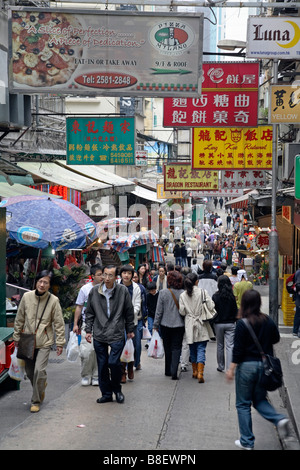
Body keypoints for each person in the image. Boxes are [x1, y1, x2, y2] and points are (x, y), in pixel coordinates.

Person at [226, 290, 290, 450]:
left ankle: (247, 441)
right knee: (259, 400)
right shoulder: (267, 320)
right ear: (259, 303)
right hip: (264, 366)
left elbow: (238, 350)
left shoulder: (242, 323)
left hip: (246, 367)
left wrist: (231, 369)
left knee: (243, 404)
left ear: (244, 303)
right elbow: (276, 338)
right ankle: (279, 419)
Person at [13, 270, 65, 413]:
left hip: (45, 341)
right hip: (27, 340)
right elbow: (20, 318)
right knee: (30, 373)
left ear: (49, 285)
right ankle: (41, 386)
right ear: (36, 282)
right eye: (40, 281)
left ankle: (35, 400)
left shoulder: (54, 301)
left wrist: (60, 342)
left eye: (45, 282)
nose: (42, 285)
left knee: (39, 370)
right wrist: (16, 336)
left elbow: (59, 323)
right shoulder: (26, 297)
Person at [85, 265, 135, 404]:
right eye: (104, 275)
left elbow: (129, 311)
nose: (106, 278)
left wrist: (130, 329)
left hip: (116, 331)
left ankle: (117, 390)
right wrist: (88, 330)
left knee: (114, 363)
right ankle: (106, 393)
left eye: (110, 275)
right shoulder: (94, 291)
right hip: (99, 332)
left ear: (116, 277)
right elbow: (89, 312)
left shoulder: (122, 291)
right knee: (102, 365)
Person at [179, 272, 215, 383]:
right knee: (201, 348)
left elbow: (182, 311)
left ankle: (194, 371)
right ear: (196, 282)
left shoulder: (183, 295)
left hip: (189, 323)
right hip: (201, 323)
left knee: (192, 348)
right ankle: (200, 373)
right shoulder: (203, 292)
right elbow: (211, 306)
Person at [73, 264, 103, 386]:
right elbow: (79, 307)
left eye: (103, 274)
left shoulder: (107, 288)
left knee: (98, 351)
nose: (102, 277)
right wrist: (75, 324)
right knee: (87, 351)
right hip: (87, 324)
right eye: (99, 274)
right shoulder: (85, 289)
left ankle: (96, 375)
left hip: (102, 326)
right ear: (92, 276)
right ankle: (86, 375)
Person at [153, 270, 185, 380]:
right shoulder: (183, 293)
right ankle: (174, 371)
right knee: (176, 347)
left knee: (167, 347)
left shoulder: (163, 293)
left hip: (165, 324)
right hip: (179, 324)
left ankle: (167, 370)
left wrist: (155, 325)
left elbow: (159, 311)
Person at [119, 265, 141, 382]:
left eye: (129, 273)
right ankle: (123, 372)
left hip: (132, 322)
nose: (126, 275)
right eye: (124, 273)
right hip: (118, 322)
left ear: (132, 275)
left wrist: (128, 314)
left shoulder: (136, 288)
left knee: (134, 345)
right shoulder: (117, 285)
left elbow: (137, 305)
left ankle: (131, 366)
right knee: (120, 346)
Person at [212, 275, 238, 372]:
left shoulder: (215, 296)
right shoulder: (231, 296)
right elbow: (235, 310)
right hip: (230, 323)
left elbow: (212, 311)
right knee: (230, 345)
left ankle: (221, 366)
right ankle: (229, 368)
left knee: (220, 345)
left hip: (218, 324)